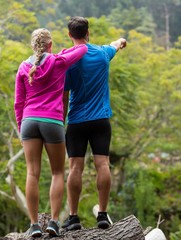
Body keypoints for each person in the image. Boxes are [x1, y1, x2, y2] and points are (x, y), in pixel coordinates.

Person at [14, 28, 87, 238]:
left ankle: (34, 224)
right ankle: (54, 222)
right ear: (50, 45)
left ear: (32, 46)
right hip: (52, 121)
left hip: (28, 121)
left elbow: (18, 102)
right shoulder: (58, 62)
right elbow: (81, 49)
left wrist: (21, 129)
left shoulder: (23, 67)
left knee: (32, 174)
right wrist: (62, 52)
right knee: (57, 173)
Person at [62, 16, 127, 231]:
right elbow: (114, 46)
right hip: (100, 120)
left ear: (70, 35)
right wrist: (121, 40)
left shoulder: (67, 61)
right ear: (87, 33)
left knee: (75, 168)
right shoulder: (101, 54)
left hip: (77, 121)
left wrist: (62, 119)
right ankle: (102, 214)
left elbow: (64, 93)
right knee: (103, 164)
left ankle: (73, 218)